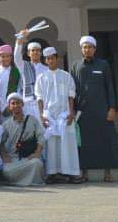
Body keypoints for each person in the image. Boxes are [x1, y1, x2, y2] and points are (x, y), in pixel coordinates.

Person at [71, 35, 118, 183]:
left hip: (102, 110)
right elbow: (71, 90)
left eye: (90, 47)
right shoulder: (75, 66)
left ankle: (107, 172)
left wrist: (112, 108)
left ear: (94, 49)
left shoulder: (103, 65)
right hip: (83, 111)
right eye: (84, 47)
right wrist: (72, 109)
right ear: (81, 49)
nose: (87, 49)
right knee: (84, 142)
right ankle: (84, 172)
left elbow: (110, 87)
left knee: (106, 140)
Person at [35, 46, 81, 184]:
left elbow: (71, 95)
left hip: (64, 114)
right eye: (48, 59)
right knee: (51, 145)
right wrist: (41, 115)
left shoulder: (66, 76)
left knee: (68, 143)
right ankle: (52, 173)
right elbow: (39, 98)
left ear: (57, 59)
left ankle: (71, 173)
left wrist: (71, 113)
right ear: (46, 60)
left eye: (52, 58)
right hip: (49, 115)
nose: (50, 60)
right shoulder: (41, 77)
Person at [0, 93, 45, 186]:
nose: (16, 106)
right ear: (9, 107)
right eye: (13, 103)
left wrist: (37, 153)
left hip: (28, 157)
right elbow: (0, 142)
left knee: (37, 164)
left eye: (18, 103)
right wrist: (4, 156)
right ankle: (26, 180)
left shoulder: (32, 120)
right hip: (13, 159)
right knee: (6, 170)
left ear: (22, 104)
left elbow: (41, 137)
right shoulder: (6, 124)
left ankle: (23, 181)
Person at [0, 44, 21, 116]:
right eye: (3, 57)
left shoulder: (16, 71)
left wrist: (11, 106)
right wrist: (2, 107)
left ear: (11, 57)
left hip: (15, 107)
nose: (6, 59)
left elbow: (19, 89)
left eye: (8, 56)